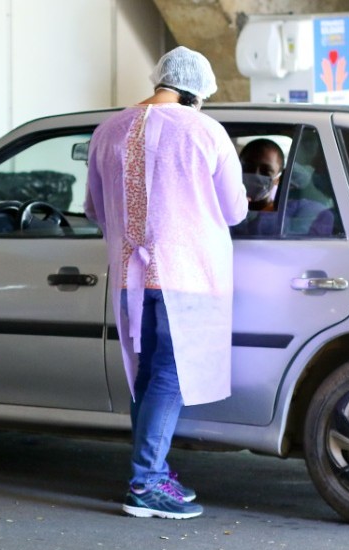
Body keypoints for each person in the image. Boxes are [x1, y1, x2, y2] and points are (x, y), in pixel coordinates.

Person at [84, 47, 247, 519]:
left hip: (130, 279)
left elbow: (94, 210)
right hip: (187, 274)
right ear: (197, 91)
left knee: (147, 375)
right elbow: (235, 209)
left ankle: (152, 470)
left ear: (161, 80)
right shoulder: (205, 131)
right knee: (170, 377)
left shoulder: (107, 130)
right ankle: (147, 482)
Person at [239, 139, 334, 236]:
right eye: (248, 168)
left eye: (266, 172)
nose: (256, 175)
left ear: (279, 177)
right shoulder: (225, 208)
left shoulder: (304, 212)